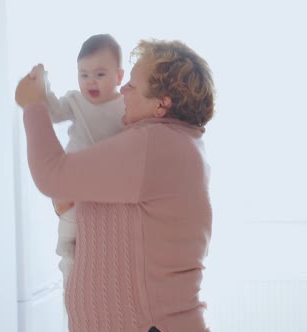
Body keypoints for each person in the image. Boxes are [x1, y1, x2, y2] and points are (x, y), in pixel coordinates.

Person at [16, 39, 215, 332]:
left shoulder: (153, 144)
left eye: (132, 86)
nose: (122, 91)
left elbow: (51, 174)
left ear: (162, 104)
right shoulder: (175, 144)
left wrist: (33, 105)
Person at [43, 34, 126, 288]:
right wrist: (43, 87)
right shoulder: (75, 101)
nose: (90, 81)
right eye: (83, 74)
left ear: (119, 77)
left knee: (103, 235)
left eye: (100, 75)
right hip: (74, 180)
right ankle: (67, 259)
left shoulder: (125, 106)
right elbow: (54, 112)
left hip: (107, 184)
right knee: (71, 226)